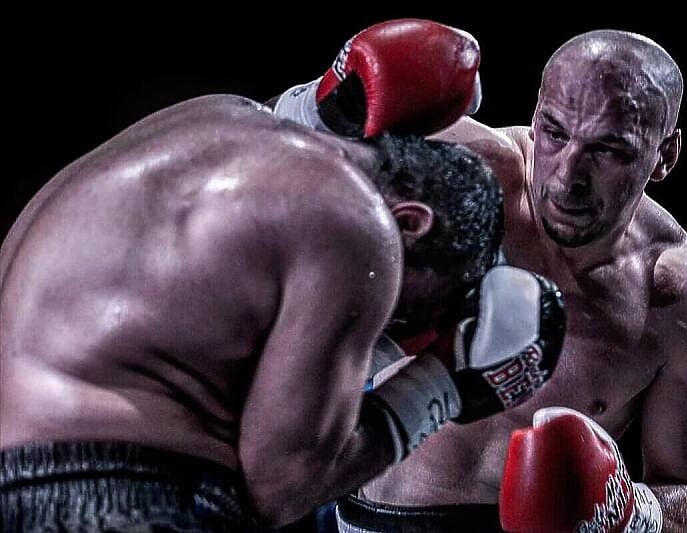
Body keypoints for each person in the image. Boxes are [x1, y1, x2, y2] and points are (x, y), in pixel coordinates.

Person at [0, 20, 568, 532]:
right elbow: (284, 485)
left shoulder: (218, 117)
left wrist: (336, 102)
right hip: (138, 496)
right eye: (404, 308)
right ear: (410, 222)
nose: (383, 329)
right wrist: (440, 383)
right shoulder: (357, 222)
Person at [336, 29, 687, 532]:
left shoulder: (683, 298)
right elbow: (265, 149)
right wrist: (323, 107)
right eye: (555, 132)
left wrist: (631, 514)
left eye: (609, 149)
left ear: (665, 155)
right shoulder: (461, 172)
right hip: (367, 513)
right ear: (536, 113)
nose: (568, 177)